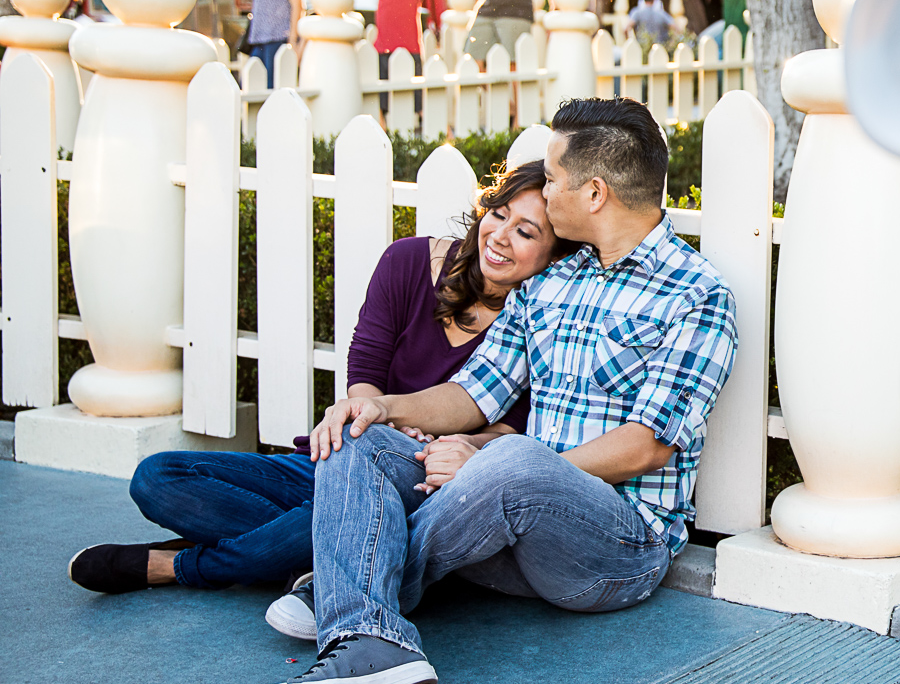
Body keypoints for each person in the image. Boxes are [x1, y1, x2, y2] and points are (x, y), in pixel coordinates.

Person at [238, 98, 738, 684]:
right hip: (502, 528)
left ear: (592, 192)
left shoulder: (696, 295)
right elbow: (473, 397)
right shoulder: (552, 284)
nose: (544, 190)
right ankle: (368, 637)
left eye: (552, 179)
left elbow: (646, 447)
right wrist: (379, 405)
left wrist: (489, 461)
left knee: (515, 459)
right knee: (361, 439)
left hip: (616, 548)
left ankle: (351, 583)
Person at [67, 162, 572, 604]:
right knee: (157, 479)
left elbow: (519, 432)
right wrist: (378, 421)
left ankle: (178, 567)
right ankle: (312, 557)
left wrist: (455, 443)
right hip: (346, 452)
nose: (500, 236)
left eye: (526, 233)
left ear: (553, 258)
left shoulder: (548, 321)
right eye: (499, 213)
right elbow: (366, 371)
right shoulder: (408, 262)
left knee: (363, 517)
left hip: (428, 485)